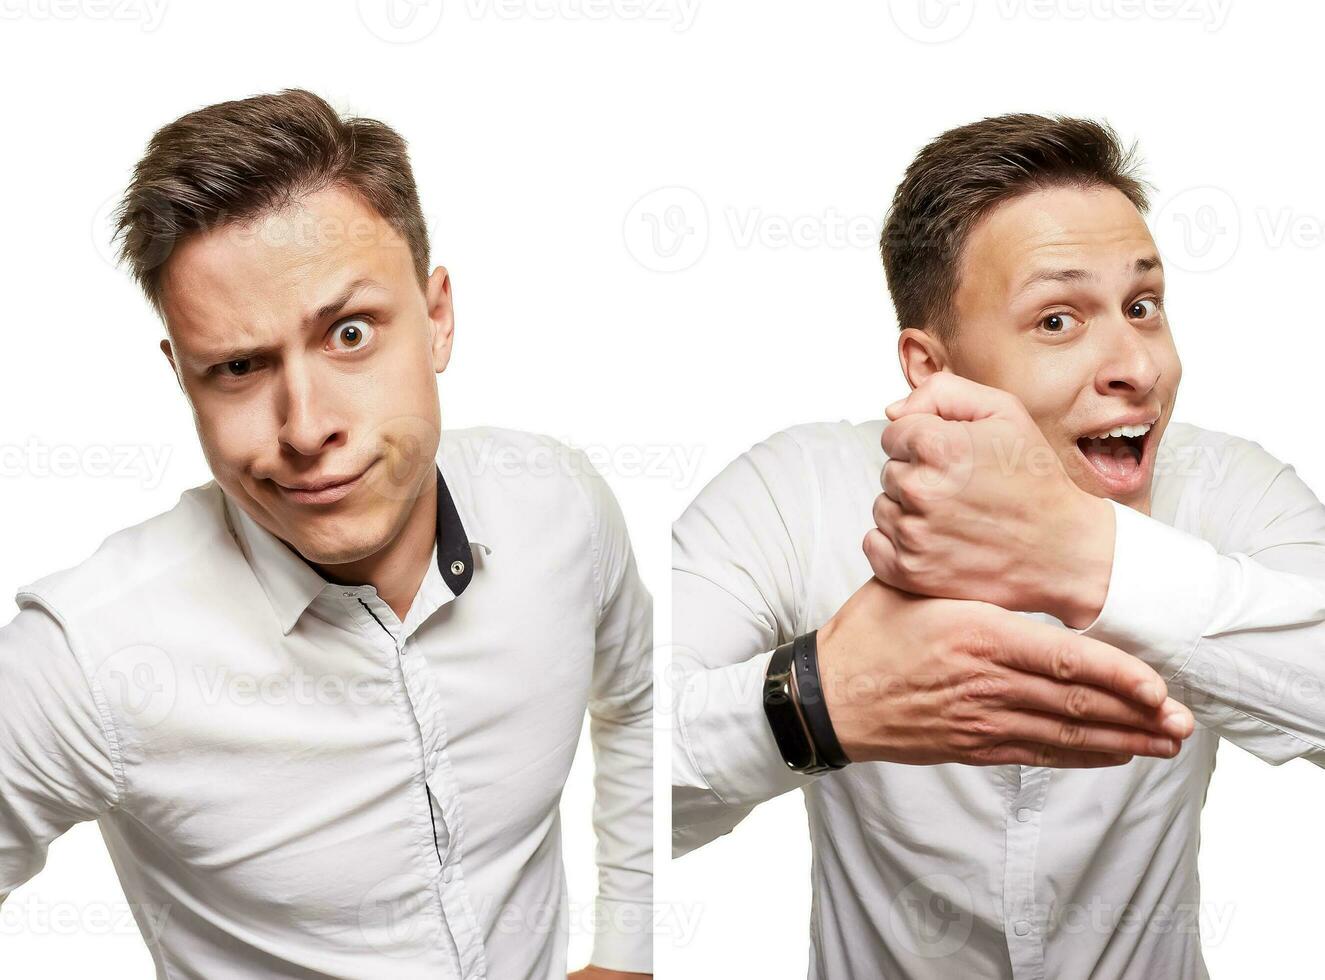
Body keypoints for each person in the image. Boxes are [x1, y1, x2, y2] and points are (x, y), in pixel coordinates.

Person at [0, 89, 653, 980]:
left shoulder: (560, 506)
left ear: (438, 320)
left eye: (349, 333)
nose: (305, 428)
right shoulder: (85, 655)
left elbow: (641, 701)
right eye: (237, 366)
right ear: (184, 380)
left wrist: (629, 949)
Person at [671, 113, 1325, 979]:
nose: (1137, 364)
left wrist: (1090, 562)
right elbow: (624, 782)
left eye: (1141, 306)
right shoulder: (787, 495)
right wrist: (819, 704)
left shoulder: (1232, 488)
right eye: (1057, 320)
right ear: (929, 368)